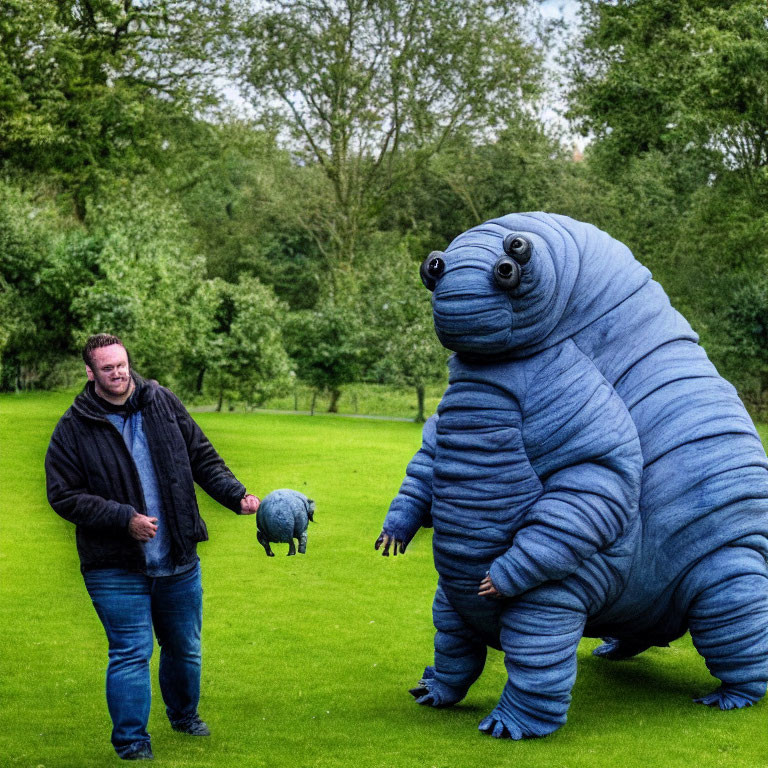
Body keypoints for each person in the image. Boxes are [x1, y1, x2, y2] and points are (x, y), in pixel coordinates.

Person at [45, 334, 261, 761]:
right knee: (131, 652)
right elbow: (63, 494)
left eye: (121, 363)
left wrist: (237, 496)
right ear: (90, 373)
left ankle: (184, 716)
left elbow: (202, 457)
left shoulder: (161, 402)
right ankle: (131, 742)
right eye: (107, 368)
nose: (118, 372)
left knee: (184, 647)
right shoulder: (73, 428)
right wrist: (123, 519)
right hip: (114, 567)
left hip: (177, 556)